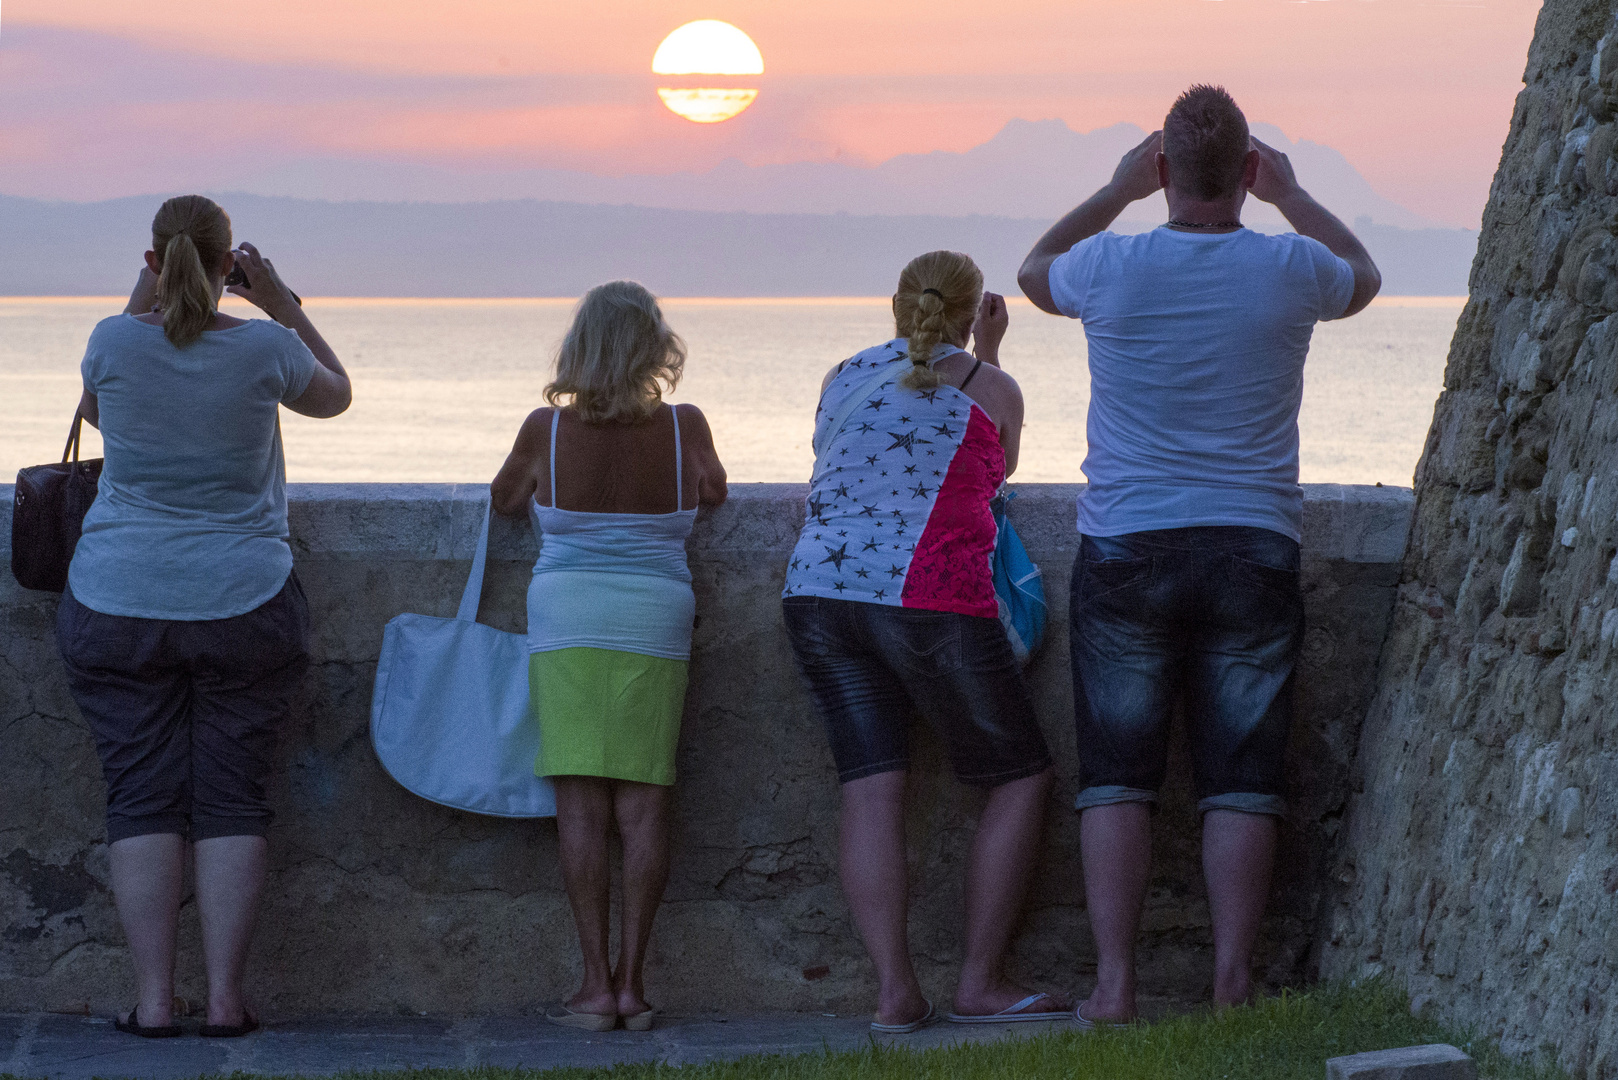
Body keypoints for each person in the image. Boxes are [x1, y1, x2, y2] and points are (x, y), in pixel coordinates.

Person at [1016, 85, 1382, 1024]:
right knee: (1242, 780)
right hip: (1253, 543)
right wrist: (1292, 196)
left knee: (1116, 777)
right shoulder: (1292, 266)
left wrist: (1113, 191)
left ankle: (1113, 986)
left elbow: (1031, 269)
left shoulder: (1109, 264)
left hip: (1127, 543)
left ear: (1164, 170)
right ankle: (1230, 983)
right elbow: (1366, 274)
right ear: (1250, 173)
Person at [57, 195, 351, 1038]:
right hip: (244, 600)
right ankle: (225, 1000)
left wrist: (147, 288)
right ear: (232, 267)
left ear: (152, 260)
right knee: (232, 798)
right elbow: (337, 396)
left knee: (139, 795)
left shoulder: (114, 341)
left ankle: (153, 1002)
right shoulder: (264, 348)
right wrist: (283, 302)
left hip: (116, 598)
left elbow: (96, 408)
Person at [780, 250, 1065, 1033]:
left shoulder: (843, 373)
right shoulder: (989, 386)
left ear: (896, 302)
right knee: (1020, 776)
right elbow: (997, 473)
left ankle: (895, 994)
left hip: (818, 593)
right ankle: (980, 982)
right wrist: (991, 356)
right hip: (927, 593)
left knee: (872, 787)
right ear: (973, 313)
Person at [490, 281, 727, 1033]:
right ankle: (635, 984)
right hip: (656, 616)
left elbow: (504, 499)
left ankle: (593, 986)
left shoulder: (544, 430)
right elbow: (714, 492)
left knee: (581, 804)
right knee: (646, 797)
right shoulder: (686, 425)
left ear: (579, 347)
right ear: (655, 349)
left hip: (566, 618)